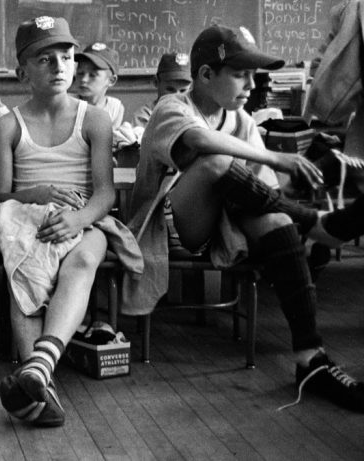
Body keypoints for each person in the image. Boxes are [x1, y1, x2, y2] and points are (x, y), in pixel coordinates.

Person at [122, 24, 364, 412]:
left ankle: (310, 357)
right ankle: (316, 224)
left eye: (253, 75)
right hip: (162, 232)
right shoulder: (173, 107)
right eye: (240, 74)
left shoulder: (243, 121)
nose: (251, 85)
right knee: (218, 161)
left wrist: (286, 181)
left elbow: (264, 192)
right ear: (204, 75)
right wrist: (275, 156)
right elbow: (200, 144)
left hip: (222, 229)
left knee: (275, 222)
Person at [0, 17, 142, 427]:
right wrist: (33, 194)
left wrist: (78, 219)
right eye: (45, 58)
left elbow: (106, 193)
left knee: (85, 258)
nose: (60, 66)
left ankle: (38, 369)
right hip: (27, 218)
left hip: (81, 216)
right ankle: (41, 382)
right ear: (23, 72)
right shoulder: (8, 125)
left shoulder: (94, 119)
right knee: (24, 272)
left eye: (67, 56)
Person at [72, 42, 137, 150]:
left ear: (111, 80)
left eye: (92, 75)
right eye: (80, 73)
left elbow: (109, 144)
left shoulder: (115, 107)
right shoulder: (68, 103)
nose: (84, 79)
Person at [133, 52, 193, 127]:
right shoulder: (145, 115)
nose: (176, 96)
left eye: (183, 91)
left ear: (191, 87)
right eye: (170, 89)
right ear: (156, 82)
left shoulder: (194, 113)